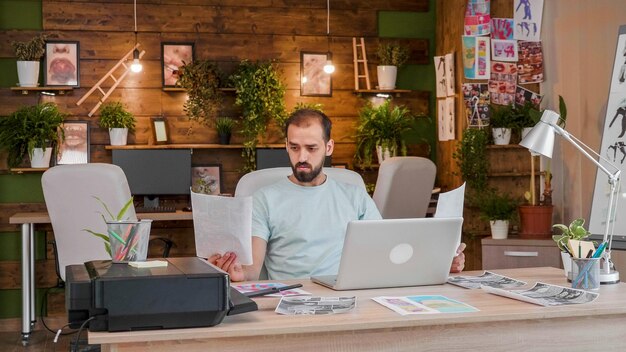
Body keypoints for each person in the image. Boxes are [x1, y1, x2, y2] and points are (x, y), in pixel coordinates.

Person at [210, 109, 466, 281]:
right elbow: (253, 269)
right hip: (291, 300)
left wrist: (440, 264)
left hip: (347, 297)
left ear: (329, 147)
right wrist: (237, 272)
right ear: (286, 146)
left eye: (312, 148)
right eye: (294, 147)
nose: (302, 158)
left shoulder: (354, 195)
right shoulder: (264, 199)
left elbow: (387, 255)